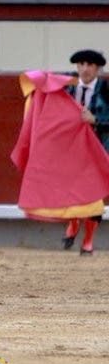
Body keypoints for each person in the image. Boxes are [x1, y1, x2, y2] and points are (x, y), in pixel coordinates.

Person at [62, 49, 109, 254]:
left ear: (97, 69)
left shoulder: (107, 90)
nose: (85, 69)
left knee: (95, 196)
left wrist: (96, 121)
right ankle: (73, 224)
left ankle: (88, 240)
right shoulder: (67, 88)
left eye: (90, 65)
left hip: (99, 150)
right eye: (81, 64)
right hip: (72, 151)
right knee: (69, 189)